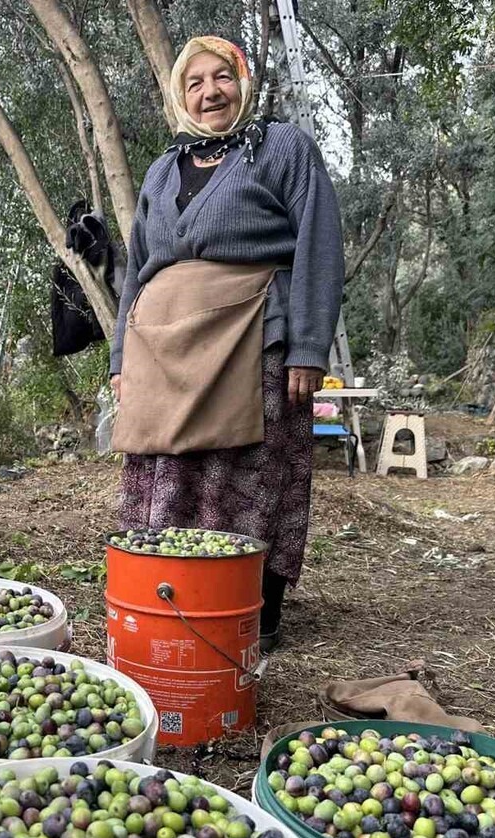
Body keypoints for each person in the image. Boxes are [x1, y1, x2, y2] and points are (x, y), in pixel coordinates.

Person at [109, 36, 344, 654]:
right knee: (170, 467)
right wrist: (119, 358)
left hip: (252, 334)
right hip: (161, 346)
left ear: (243, 82)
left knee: (248, 474)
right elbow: (136, 268)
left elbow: (319, 240)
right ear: (180, 95)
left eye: (222, 78)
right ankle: (172, 596)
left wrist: (309, 347)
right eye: (195, 83)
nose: (210, 92)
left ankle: (247, 610)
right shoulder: (164, 168)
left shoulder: (281, 148)